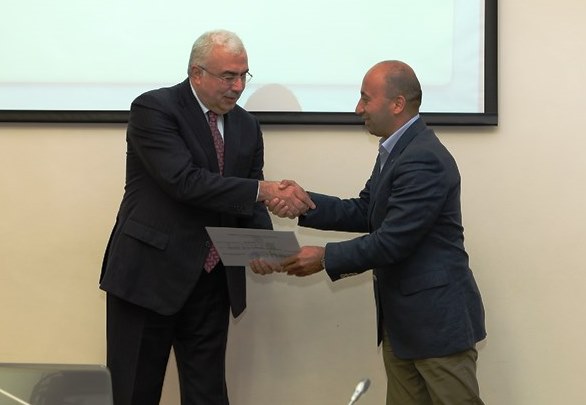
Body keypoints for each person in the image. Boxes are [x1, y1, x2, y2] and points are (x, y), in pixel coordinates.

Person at [99, 29, 314, 405]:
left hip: (211, 283)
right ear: (196, 73)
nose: (238, 87)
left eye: (243, 75)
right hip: (149, 277)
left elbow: (248, 196)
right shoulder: (154, 109)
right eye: (228, 76)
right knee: (134, 392)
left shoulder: (247, 126)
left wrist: (264, 247)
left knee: (208, 395)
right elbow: (184, 182)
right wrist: (264, 190)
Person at [255, 60, 486, 404]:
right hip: (404, 324)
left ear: (397, 104)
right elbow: (367, 211)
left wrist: (325, 257)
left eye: (365, 98)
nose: (358, 108)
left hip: (435, 323)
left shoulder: (423, 158)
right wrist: (305, 204)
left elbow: (393, 241)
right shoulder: (397, 151)